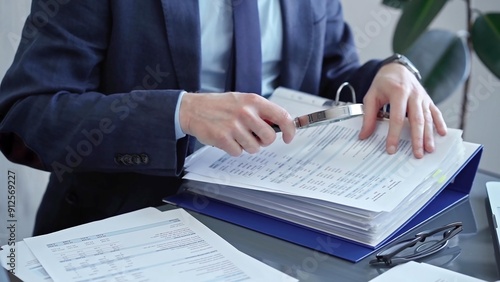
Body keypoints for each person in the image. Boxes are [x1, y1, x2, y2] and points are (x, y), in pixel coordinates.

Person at [0, 0, 447, 236]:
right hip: (125, 224)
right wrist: (181, 112)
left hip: (279, 232)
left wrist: (390, 71)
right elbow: (25, 117)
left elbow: (330, 75)